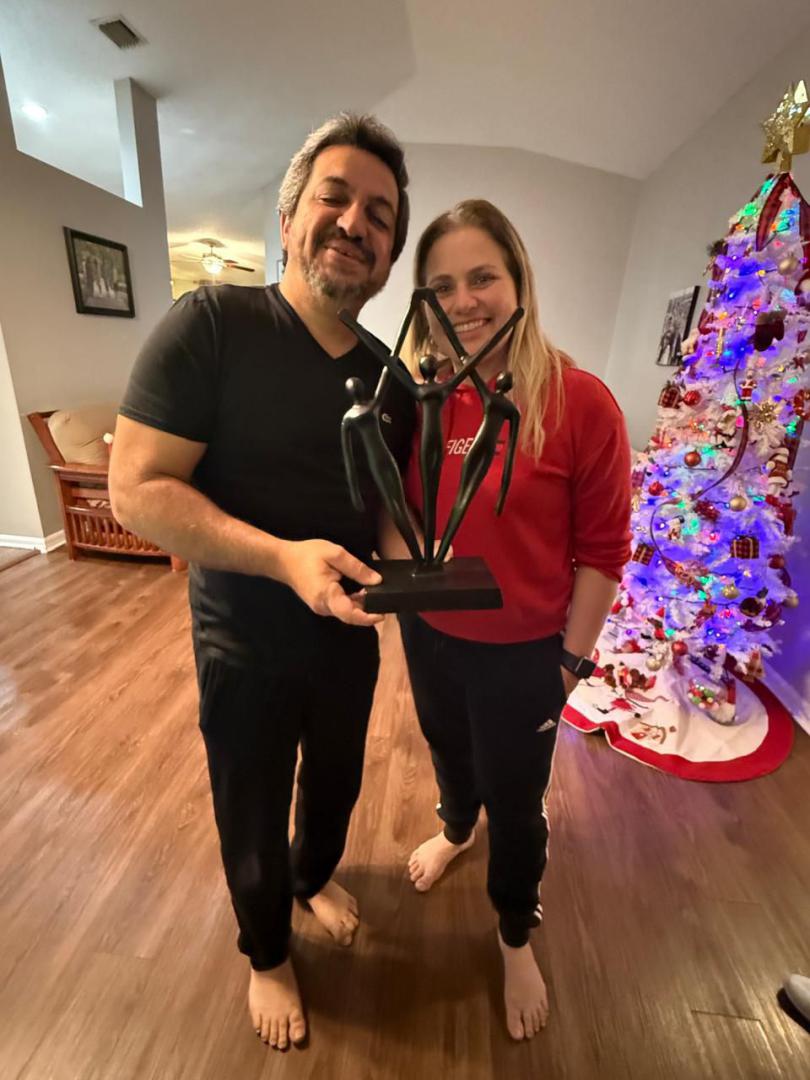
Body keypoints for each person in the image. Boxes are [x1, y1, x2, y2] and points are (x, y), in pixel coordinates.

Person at [109, 114, 414, 1052]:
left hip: (347, 638)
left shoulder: (394, 383)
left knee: (335, 790)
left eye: (380, 215)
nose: (354, 223)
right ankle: (266, 950)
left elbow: (389, 518)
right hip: (241, 638)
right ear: (288, 219)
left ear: (389, 257)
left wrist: (420, 583)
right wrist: (283, 557)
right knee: (250, 805)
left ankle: (311, 876)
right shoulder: (212, 325)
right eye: (335, 197)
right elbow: (135, 490)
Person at [384, 199, 632, 1041]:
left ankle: (514, 933)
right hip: (430, 637)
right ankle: (457, 828)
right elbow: (392, 511)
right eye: (442, 285)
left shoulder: (581, 403)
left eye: (482, 277)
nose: (463, 301)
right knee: (448, 751)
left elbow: (604, 552)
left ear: (519, 281)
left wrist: (568, 667)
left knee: (518, 801)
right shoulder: (417, 400)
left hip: (527, 654)